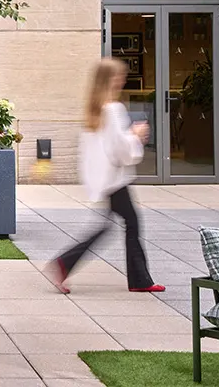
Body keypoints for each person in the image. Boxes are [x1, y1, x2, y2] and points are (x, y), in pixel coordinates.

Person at [46, 58, 165, 294]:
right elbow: (120, 150)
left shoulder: (96, 110)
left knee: (116, 224)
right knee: (128, 223)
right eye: (118, 77)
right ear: (109, 80)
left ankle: (65, 264)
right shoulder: (113, 110)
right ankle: (66, 264)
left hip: (106, 179)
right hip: (116, 179)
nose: (122, 81)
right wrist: (136, 134)